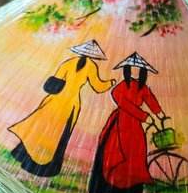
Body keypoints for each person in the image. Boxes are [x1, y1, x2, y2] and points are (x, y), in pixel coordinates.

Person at [8, 39, 114, 177]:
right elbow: (98, 86)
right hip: (71, 105)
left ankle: (22, 154)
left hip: (55, 99)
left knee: (39, 127)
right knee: (57, 136)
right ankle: (45, 167)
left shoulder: (69, 63)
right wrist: (110, 83)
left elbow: (55, 79)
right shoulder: (91, 66)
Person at [88, 51, 166, 193]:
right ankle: (109, 188)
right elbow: (124, 104)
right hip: (120, 123)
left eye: (139, 70)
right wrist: (144, 116)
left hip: (135, 126)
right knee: (115, 153)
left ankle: (131, 192)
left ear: (143, 73)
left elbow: (152, 101)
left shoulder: (143, 88)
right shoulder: (121, 87)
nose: (135, 73)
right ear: (126, 70)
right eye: (131, 69)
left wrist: (160, 115)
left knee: (135, 155)